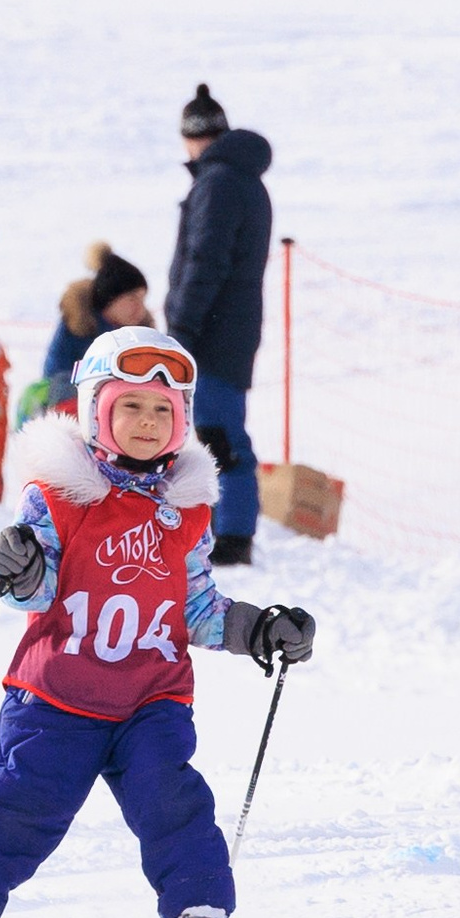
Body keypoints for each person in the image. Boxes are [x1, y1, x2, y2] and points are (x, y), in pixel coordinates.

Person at [0, 328, 318, 918]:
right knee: (14, 807)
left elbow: (197, 607)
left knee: (174, 804)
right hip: (56, 697)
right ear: (97, 409)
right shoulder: (59, 496)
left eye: (164, 411)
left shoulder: (185, 510)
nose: (148, 423)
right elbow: (37, 592)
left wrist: (261, 631)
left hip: (150, 700)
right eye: (131, 406)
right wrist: (20, 566)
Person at [163, 84, 274, 566]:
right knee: (216, 430)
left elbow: (204, 263)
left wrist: (182, 332)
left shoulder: (218, 182)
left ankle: (230, 533)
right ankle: (224, 526)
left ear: (190, 139)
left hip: (211, 332)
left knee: (218, 434)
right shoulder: (239, 179)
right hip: (230, 328)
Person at [23, 241, 151, 422]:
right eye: (132, 299)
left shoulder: (142, 334)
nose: (140, 308)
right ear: (110, 299)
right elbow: (55, 374)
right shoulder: (78, 325)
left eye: (143, 299)